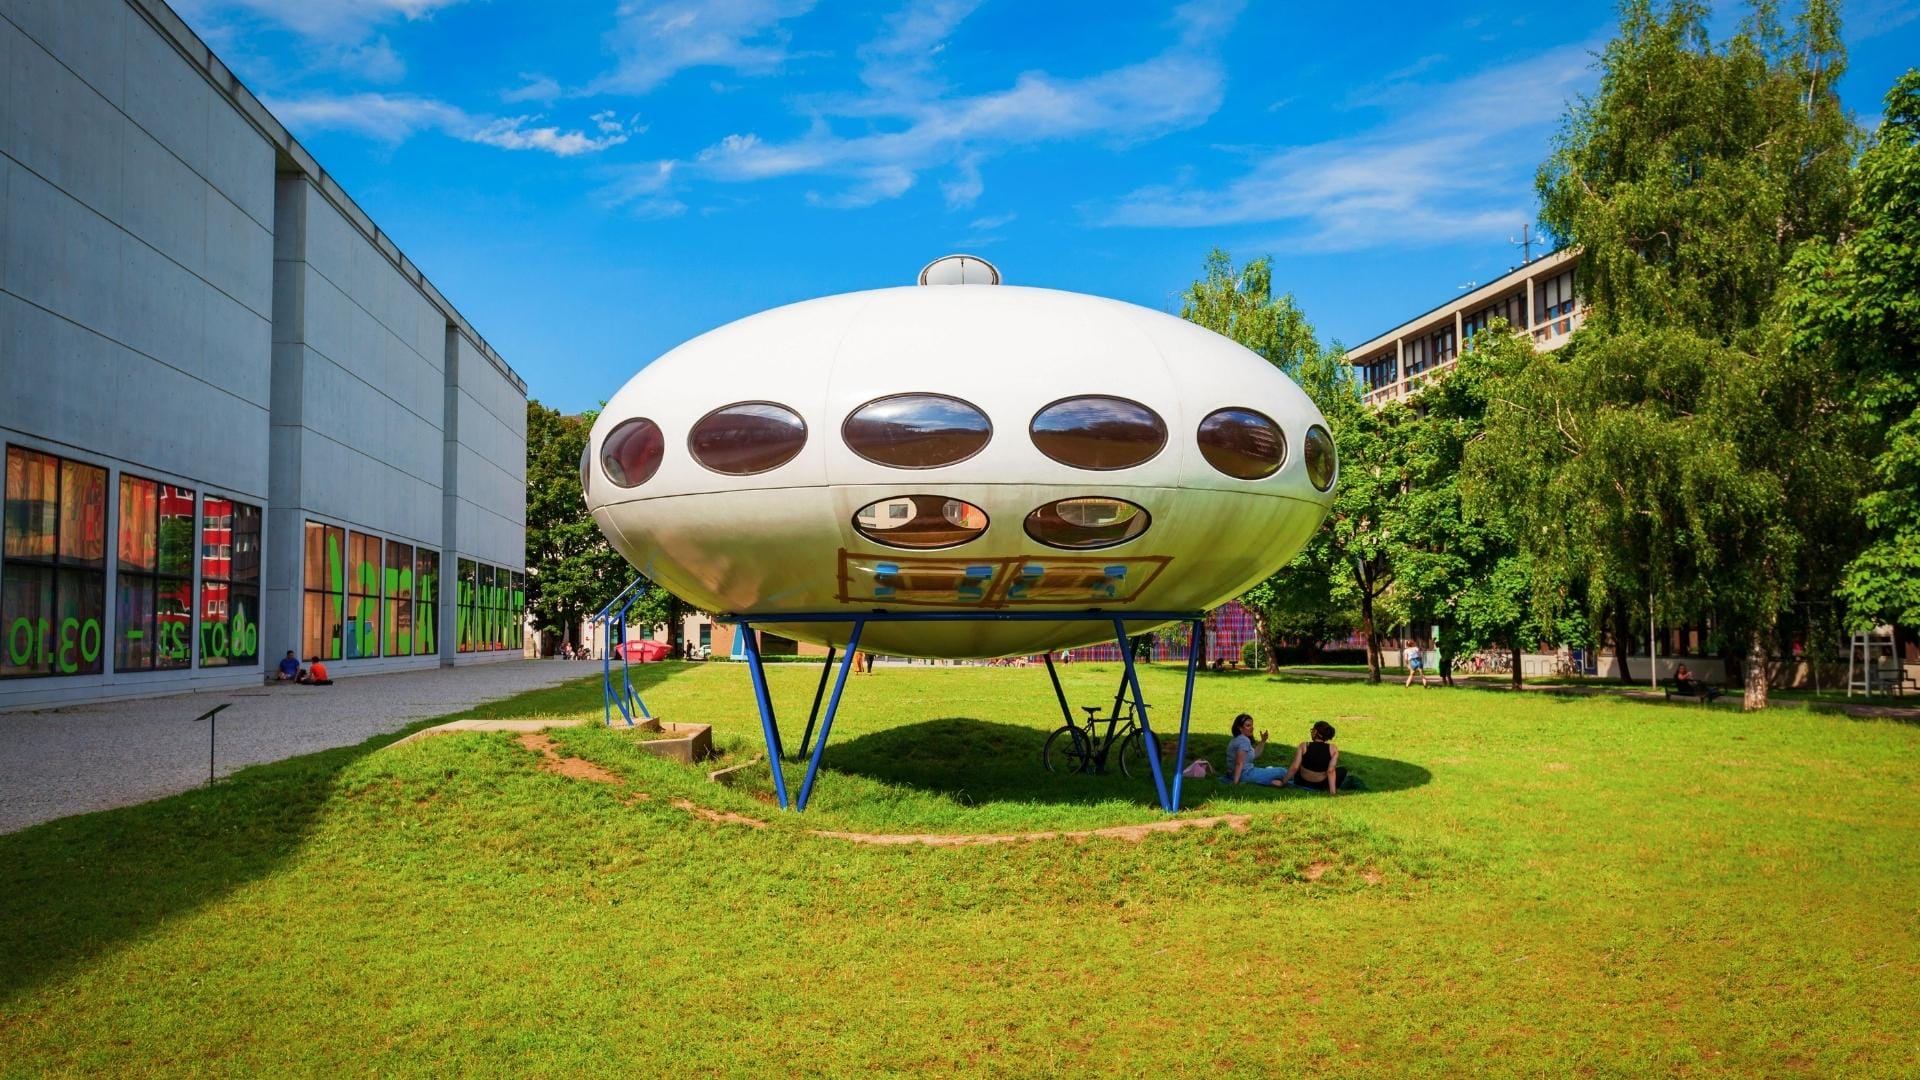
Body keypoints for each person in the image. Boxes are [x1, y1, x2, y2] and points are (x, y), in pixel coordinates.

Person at [1281, 721, 1355, 795]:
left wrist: (1283, 782)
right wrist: (1333, 793)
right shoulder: (1333, 749)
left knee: (1299, 763)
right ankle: (1330, 789)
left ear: (1315, 732)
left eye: (1312, 730)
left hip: (1301, 782)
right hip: (1320, 785)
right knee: (1342, 771)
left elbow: (1294, 767)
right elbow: (1330, 771)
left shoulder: (1304, 746)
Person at [1226, 713, 1289, 787]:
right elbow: (1239, 763)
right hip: (1245, 774)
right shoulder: (1243, 740)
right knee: (1282, 771)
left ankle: (1271, 781)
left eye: (1252, 725)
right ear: (1240, 728)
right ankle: (1275, 781)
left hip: (1236, 774)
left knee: (1271, 771)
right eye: (1248, 726)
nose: (1252, 728)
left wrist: (1263, 741)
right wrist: (1235, 783)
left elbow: (1255, 754)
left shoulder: (1236, 739)